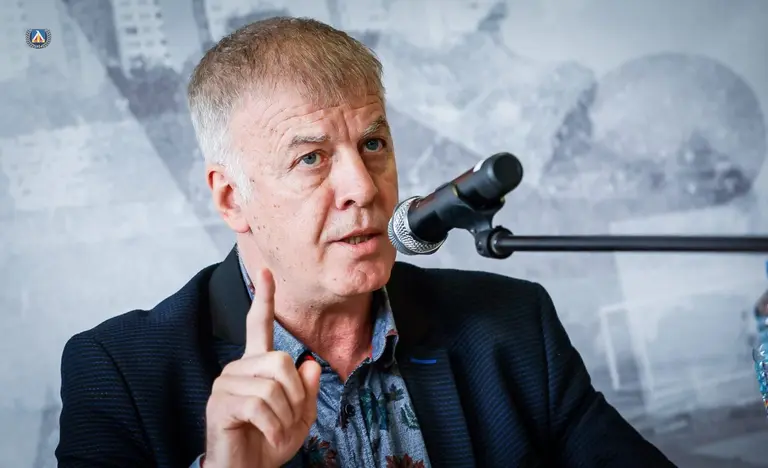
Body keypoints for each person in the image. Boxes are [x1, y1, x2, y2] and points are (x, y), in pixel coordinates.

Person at [55, 17, 676, 468]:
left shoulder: (513, 326)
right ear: (230, 198)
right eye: (311, 157)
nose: (363, 186)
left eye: (373, 144)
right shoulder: (119, 373)